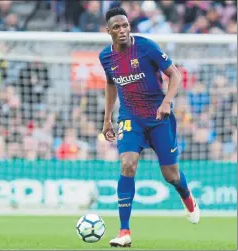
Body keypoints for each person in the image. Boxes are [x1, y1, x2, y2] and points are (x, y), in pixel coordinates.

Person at [99, 7, 200, 248]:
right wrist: (106, 119)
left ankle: (187, 197)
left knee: (171, 175)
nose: (122, 30)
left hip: (158, 116)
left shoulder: (146, 47)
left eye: (125, 25)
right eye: (117, 27)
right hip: (130, 118)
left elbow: (175, 75)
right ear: (108, 31)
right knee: (127, 163)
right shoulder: (105, 57)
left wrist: (167, 102)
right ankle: (124, 231)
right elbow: (111, 85)